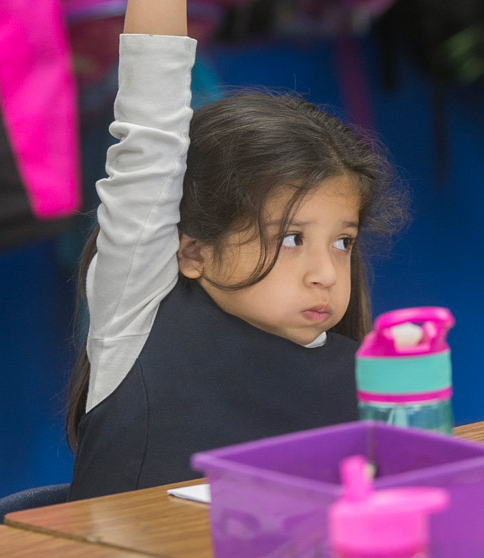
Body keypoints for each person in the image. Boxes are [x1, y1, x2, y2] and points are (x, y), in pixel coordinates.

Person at [65, 0, 408, 500]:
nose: (327, 274)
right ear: (193, 252)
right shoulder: (138, 316)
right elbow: (150, 132)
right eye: (291, 239)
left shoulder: (365, 376)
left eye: (342, 242)